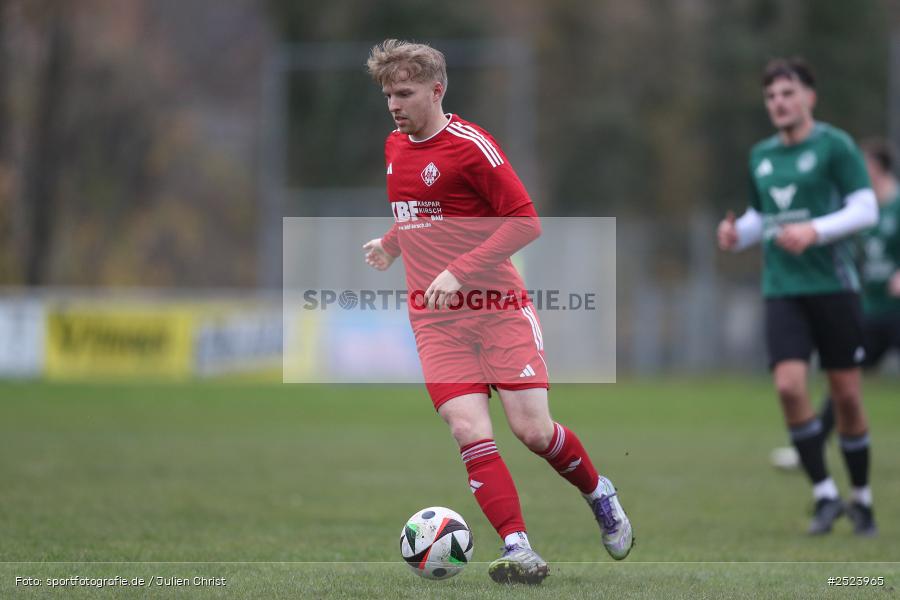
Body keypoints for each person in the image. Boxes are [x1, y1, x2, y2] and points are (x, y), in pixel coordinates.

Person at [363, 39, 633, 583]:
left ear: (437, 90)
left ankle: (599, 491)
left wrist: (458, 270)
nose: (394, 104)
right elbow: (427, 214)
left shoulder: (471, 146)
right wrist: (392, 242)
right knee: (468, 429)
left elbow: (525, 221)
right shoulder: (395, 146)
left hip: (497, 309)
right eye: (388, 94)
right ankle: (519, 548)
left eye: (405, 93)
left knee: (533, 431)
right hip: (435, 321)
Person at [718, 57, 879, 536]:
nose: (779, 103)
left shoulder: (836, 146)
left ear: (810, 97)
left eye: (787, 94)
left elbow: (865, 209)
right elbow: (759, 218)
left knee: (846, 397)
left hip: (834, 288)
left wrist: (816, 231)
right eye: (771, 97)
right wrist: (736, 234)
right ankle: (826, 495)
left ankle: (864, 499)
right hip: (783, 290)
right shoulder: (761, 156)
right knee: (789, 387)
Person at [770, 138, 900, 534]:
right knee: (844, 391)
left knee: (846, 390)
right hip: (870, 311)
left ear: (877, 166)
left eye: (863, 164)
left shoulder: (893, 205)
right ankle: (813, 449)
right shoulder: (853, 210)